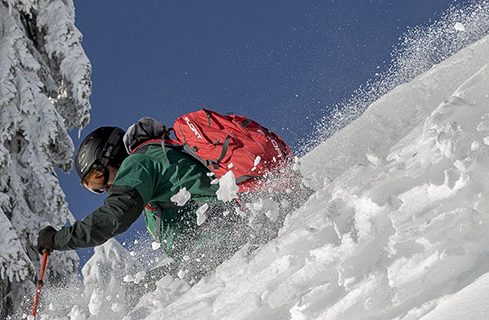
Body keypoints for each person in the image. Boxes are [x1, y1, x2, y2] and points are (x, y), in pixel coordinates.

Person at [37, 117, 306, 283]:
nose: (104, 187)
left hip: (234, 237)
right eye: (93, 188)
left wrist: (58, 239)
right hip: (225, 242)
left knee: (141, 297)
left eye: (98, 176)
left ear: (111, 155)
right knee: (147, 289)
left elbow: (114, 217)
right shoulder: (156, 166)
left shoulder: (138, 163)